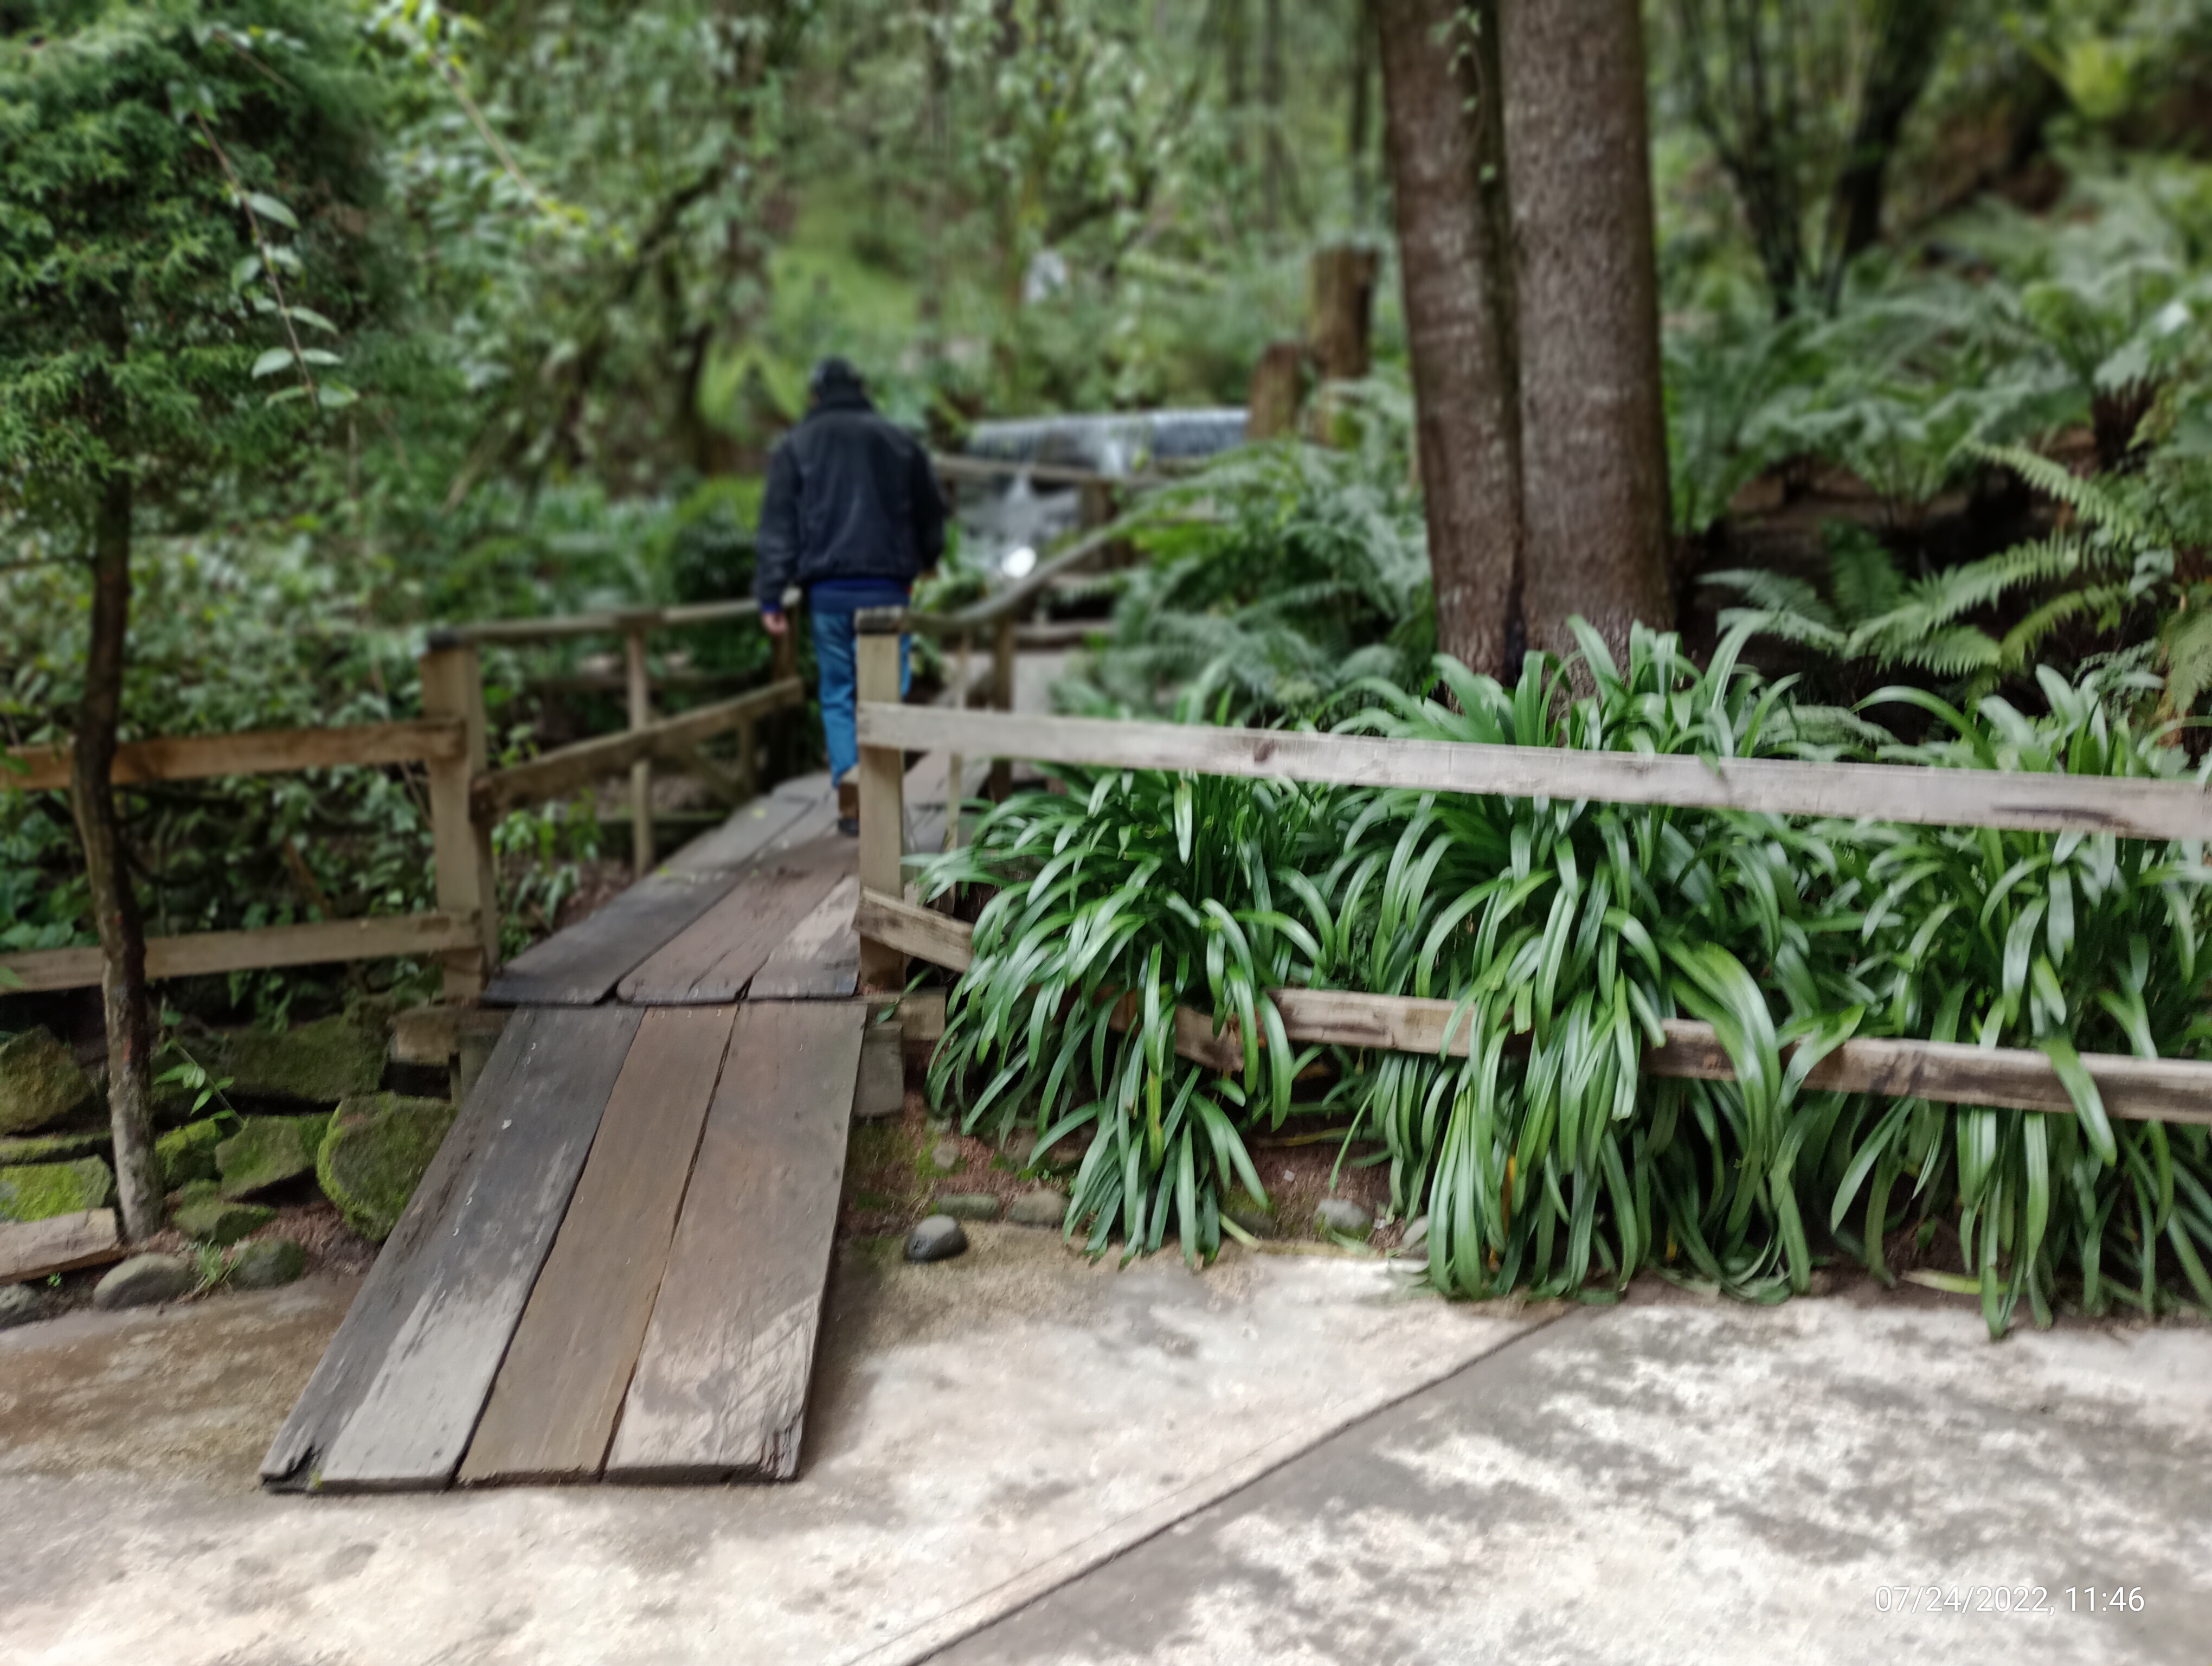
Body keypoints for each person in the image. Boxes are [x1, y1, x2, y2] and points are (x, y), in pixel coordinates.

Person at [756, 357, 946, 835]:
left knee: (839, 693)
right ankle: (882, 793)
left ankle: (852, 797)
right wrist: (926, 559)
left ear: (815, 395)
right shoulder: (900, 441)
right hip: (888, 589)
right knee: (885, 693)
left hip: (829, 592)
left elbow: (779, 526)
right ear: (861, 389)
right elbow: (931, 513)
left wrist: (771, 597)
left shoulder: (796, 445)